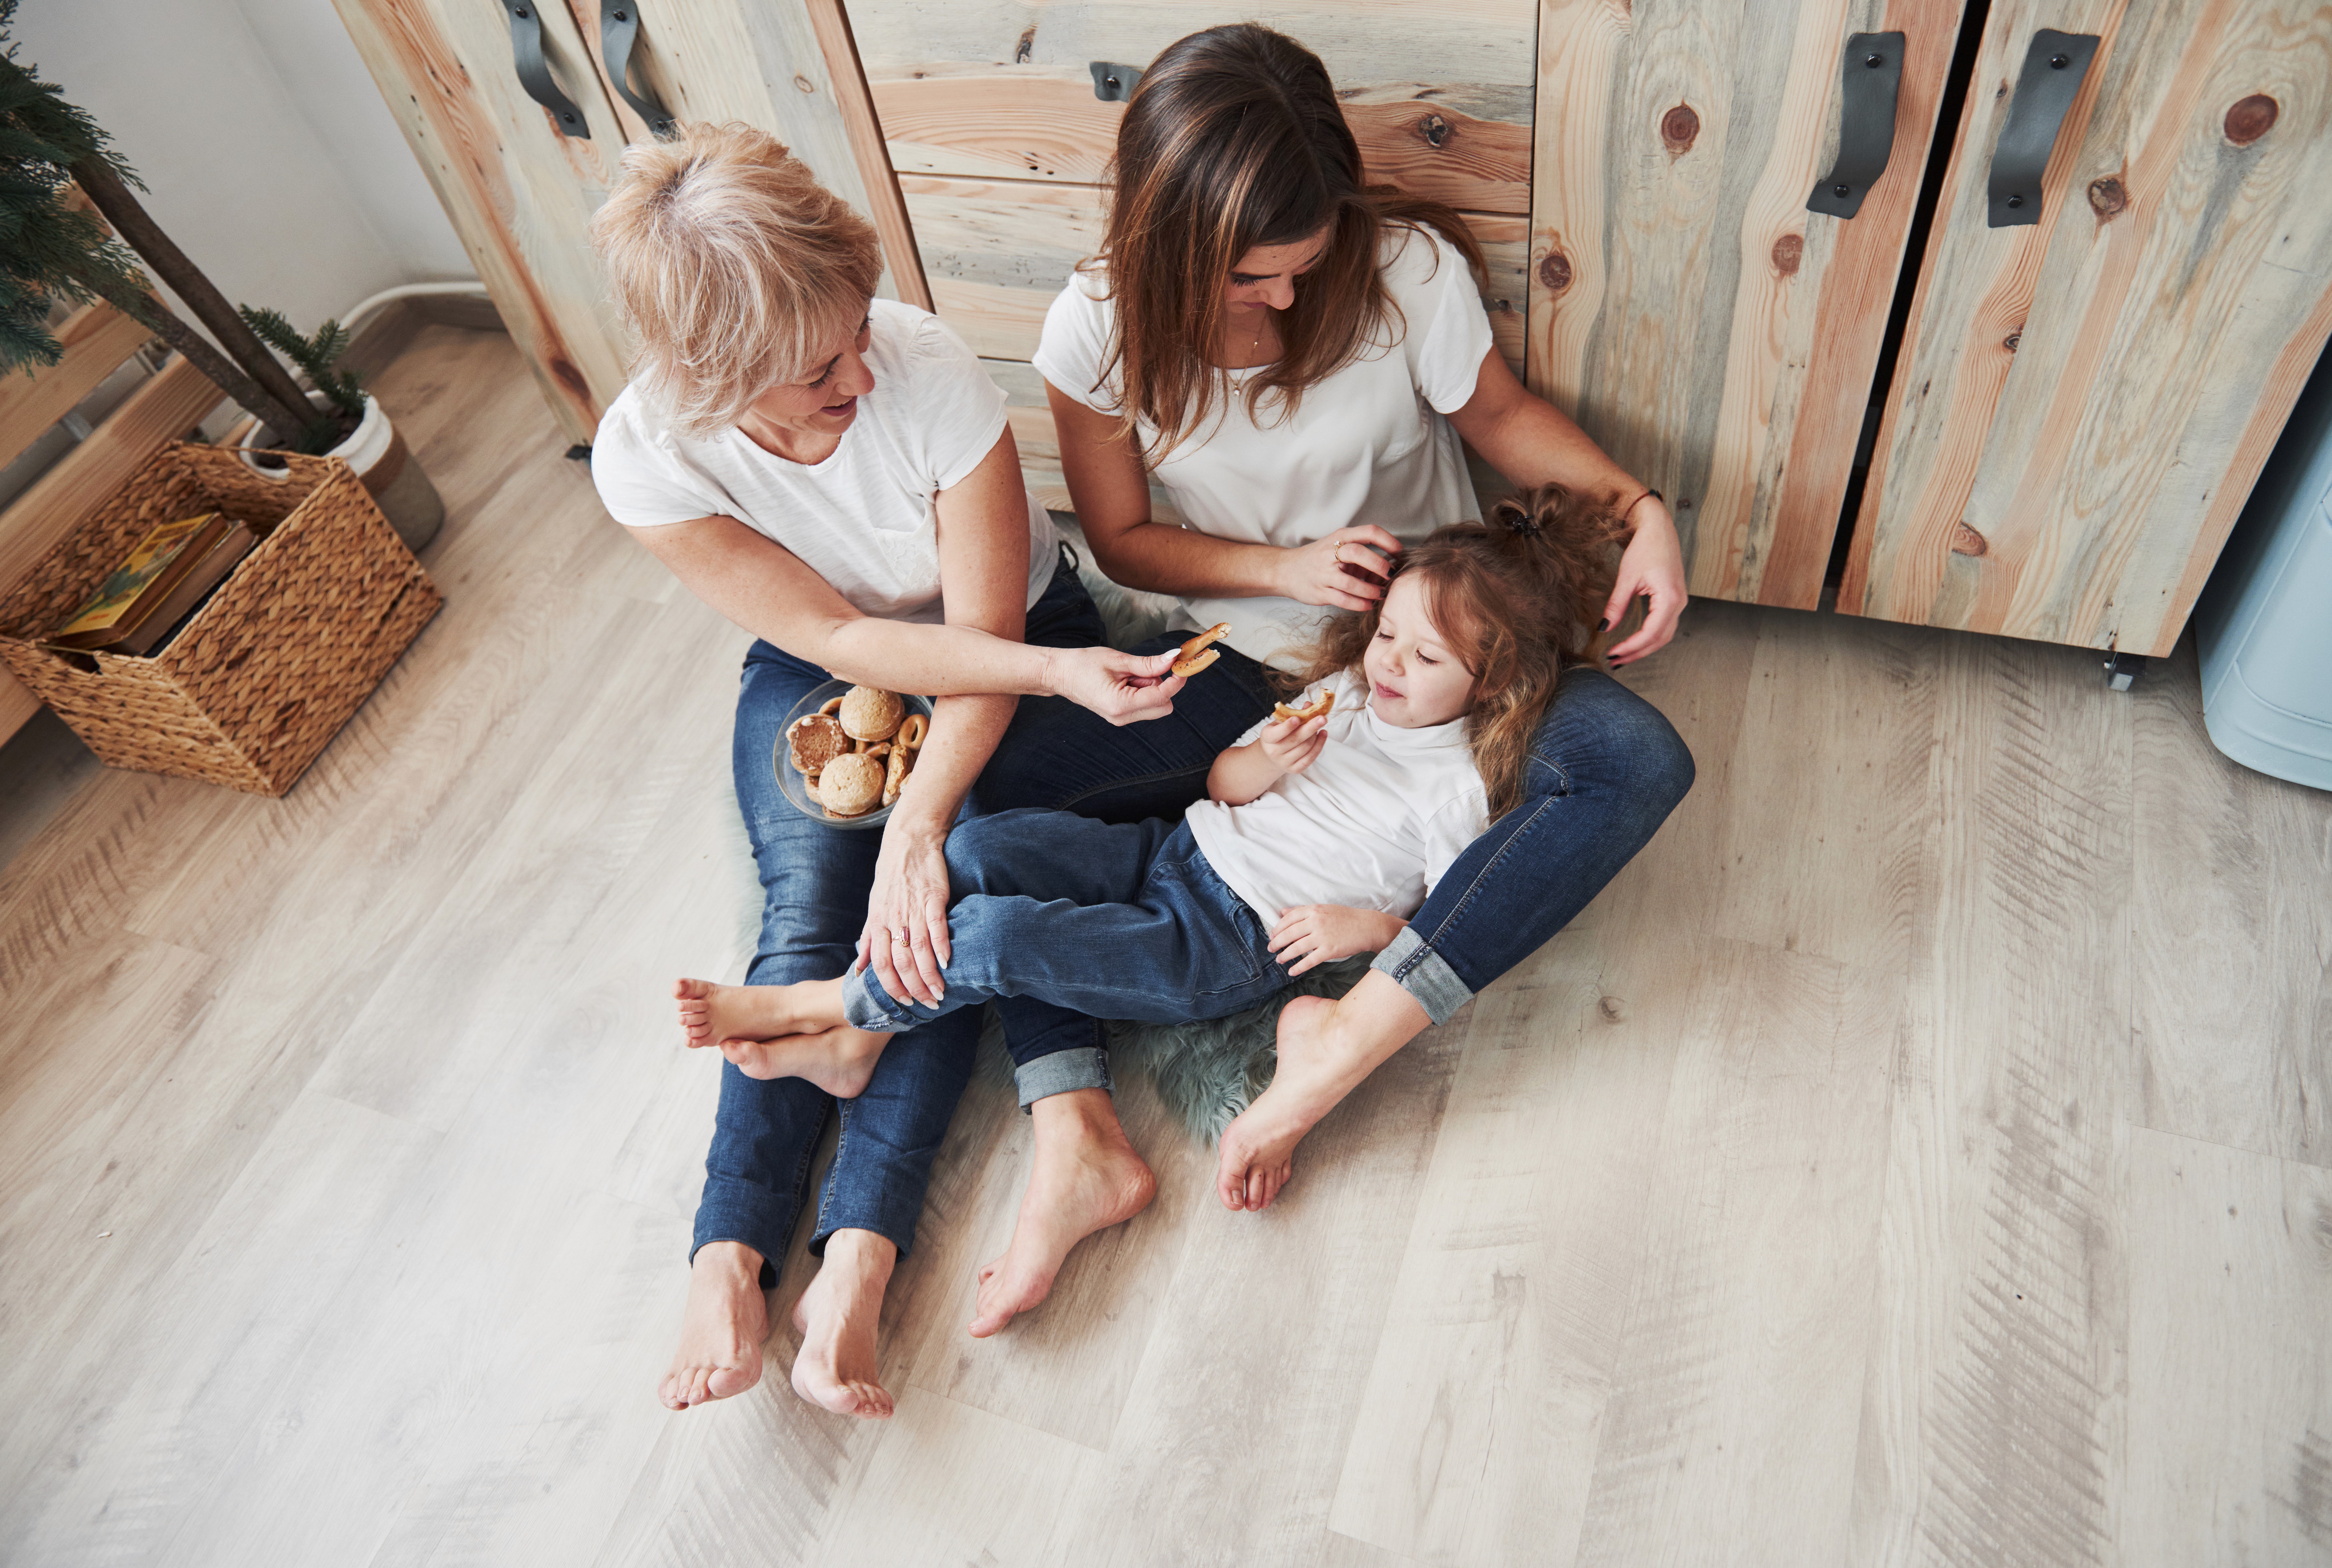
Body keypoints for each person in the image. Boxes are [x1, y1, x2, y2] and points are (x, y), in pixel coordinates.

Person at [913, 18, 1696, 1293]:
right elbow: (1122, 539)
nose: (1283, 299)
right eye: (1247, 278)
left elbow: (1496, 417)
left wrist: (1638, 509)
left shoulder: (1404, 271)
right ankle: (1072, 1125)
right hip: (1236, 653)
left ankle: (1343, 1041)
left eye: (1300, 265)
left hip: (1415, 643)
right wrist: (1280, 568)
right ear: (1168, 242)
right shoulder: (1094, 329)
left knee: (1634, 756)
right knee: (987, 796)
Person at [588, 123, 1182, 1421]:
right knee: (809, 915)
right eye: (818, 369)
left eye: (860, 328)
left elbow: (986, 639)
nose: (863, 365)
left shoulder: (924, 371)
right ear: (708, 375)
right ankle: (728, 1255)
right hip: (825, 659)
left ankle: (854, 1263)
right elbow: (841, 637)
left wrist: (922, 824)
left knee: (934, 906)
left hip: (1010, 643)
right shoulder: (647, 454)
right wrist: (904, 825)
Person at [676, 488, 1625, 1218]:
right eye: (1387, 636)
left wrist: (1364, 927)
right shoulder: (1343, 690)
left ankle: (828, 1007)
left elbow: (1449, 922)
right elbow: (1217, 787)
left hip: (1225, 943)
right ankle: (865, 1036)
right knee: (986, 844)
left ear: (1493, 681)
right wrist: (1262, 759)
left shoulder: (1453, 786)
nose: (1387, 666)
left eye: (1423, 662)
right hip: (1177, 854)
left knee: (1001, 939)